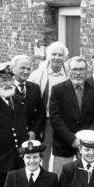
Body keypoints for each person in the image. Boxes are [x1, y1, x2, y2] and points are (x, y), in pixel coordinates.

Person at [49, 56, 94, 176]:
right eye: (74, 69)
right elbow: (55, 118)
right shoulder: (58, 90)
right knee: (60, 180)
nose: (78, 73)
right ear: (68, 71)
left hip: (88, 146)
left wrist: (87, 138)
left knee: (86, 181)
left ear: (87, 71)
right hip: (63, 144)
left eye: (81, 69)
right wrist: (72, 139)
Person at [28, 41, 69, 169]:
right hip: (46, 121)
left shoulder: (69, 74)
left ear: (65, 57)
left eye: (60, 55)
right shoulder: (37, 74)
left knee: (63, 154)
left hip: (64, 121)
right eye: (54, 54)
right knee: (43, 153)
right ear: (48, 56)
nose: (57, 58)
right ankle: (44, 180)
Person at [11, 55, 45, 141]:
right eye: (22, 68)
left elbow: (41, 114)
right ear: (13, 69)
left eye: (28, 69)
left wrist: (34, 131)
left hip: (32, 138)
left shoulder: (35, 88)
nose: (26, 71)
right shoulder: (5, 89)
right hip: (13, 139)